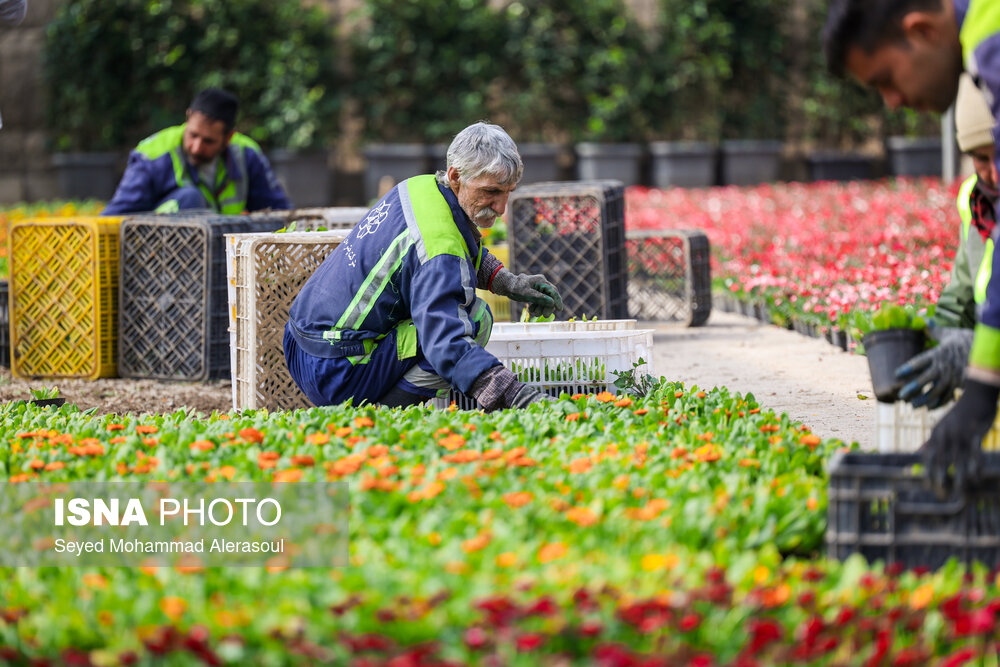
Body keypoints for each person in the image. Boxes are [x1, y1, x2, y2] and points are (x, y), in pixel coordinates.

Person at [823, 0, 1000, 491]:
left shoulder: (993, 37)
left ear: (919, 30)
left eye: (885, 79)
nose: (892, 102)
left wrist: (981, 382)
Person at [284, 121, 563, 410]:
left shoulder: (421, 187)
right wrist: (517, 396)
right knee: (476, 317)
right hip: (335, 372)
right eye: (491, 191)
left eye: (508, 192)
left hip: (299, 343)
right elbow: (447, 341)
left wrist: (509, 282)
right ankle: (387, 410)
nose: (501, 206)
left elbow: (460, 249)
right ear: (456, 177)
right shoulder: (439, 247)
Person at [895, 73, 998, 409]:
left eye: (997, 155)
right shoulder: (977, 202)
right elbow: (963, 296)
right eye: (980, 159)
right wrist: (935, 337)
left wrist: (978, 350)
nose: (992, 173)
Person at [101, 87, 291, 215]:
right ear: (188, 117)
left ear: (228, 138)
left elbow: (279, 212)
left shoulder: (247, 155)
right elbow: (117, 216)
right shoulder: (153, 155)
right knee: (190, 198)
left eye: (208, 141)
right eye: (193, 135)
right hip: (159, 259)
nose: (197, 147)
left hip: (223, 256)